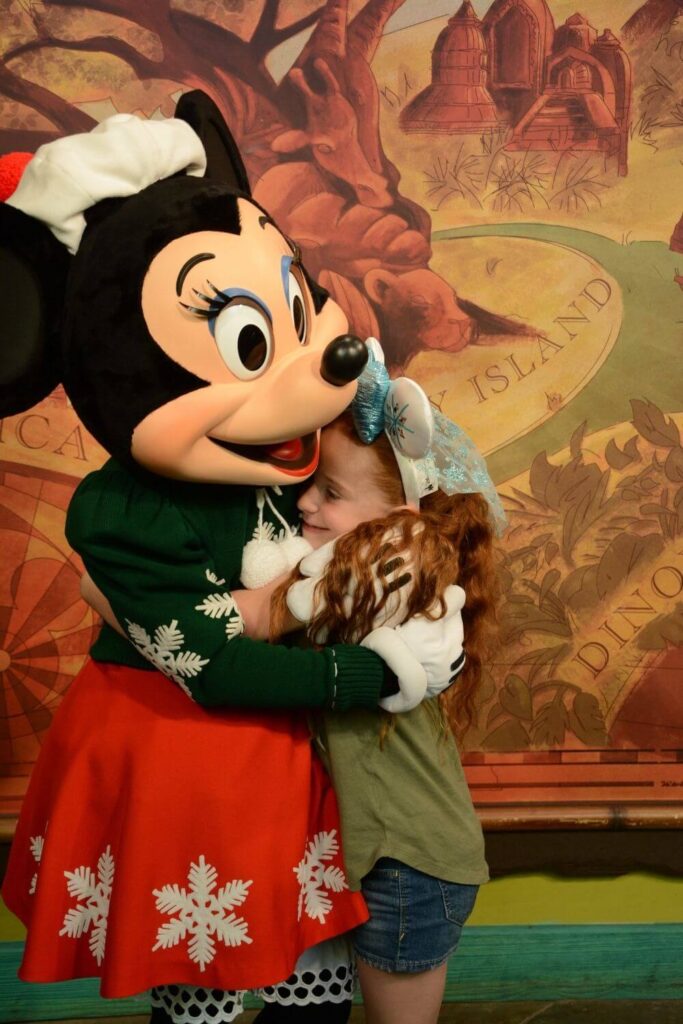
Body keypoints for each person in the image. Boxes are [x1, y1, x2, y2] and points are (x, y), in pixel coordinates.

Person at [0, 98, 465, 1024]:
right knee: (206, 997)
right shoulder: (127, 512)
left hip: (294, 769)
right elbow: (213, 663)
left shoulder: (298, 457)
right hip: (184, 767)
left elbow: (416, 508)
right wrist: (372, 674)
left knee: (311, 990)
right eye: (252, 342)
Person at [258, 341, 504, 1024]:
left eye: (331, 493)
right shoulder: (365, 573)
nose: (305, 503)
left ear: (398, 524)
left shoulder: (379, 579)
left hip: (410, 867)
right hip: (384, 857)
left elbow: (257, 617)